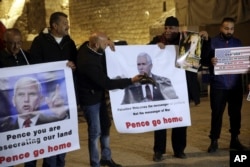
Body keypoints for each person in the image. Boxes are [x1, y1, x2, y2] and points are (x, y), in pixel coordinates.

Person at [149, 16, 210, 161]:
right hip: (162, 88)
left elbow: (204, 58)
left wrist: (205, 40)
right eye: (166, 28)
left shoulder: (188, 40)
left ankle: (179, 150)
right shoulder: (157, 40)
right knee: (161, 120)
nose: (168, 31)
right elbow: (146, 53)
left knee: (180, 120)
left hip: (183, 88)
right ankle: (159, 151)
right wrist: (155, 48)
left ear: (177, 28)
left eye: (171, 28)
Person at [76, 32, 142, 167]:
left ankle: (106, 158)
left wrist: (111, 41)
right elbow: (107, 84)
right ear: (95, 45)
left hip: (98, 95)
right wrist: (131, 80)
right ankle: (95, 163)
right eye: (105, 44)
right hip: (89, 99)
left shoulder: (87, 46)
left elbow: (92, 43)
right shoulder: (87, 62)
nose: (107, 46)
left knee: (105, 125)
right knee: (95, 132)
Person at [29, 11, 77, 167]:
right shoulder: (39, 42)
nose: (67, 26)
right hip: (45, 98)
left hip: (64, 96)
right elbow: (34, 66)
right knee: (50, 135)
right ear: (54, 26)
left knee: (63, 134)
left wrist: (73, 65)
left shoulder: (69, 42)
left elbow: (76, 63)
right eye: (64, 23)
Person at [202, 17, 248, 153]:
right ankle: (214, 141)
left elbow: (245, 64)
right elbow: (203, 61)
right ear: (220, 28)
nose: (229, 31)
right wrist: (210, 61)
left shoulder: (238, 43)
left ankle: (235, 140)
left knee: (235, 114)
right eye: (226, 28)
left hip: (235, 86)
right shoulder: (212, 42)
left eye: (232, 28)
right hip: (218, 86)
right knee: (216, 114)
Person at [0, 76, 68, 132]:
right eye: (21, 94)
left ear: (40, 100)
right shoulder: (4, 128)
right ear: (13, 100)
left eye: (32, 94)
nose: (26, 99)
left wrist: (62, 116)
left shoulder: (52, 121)